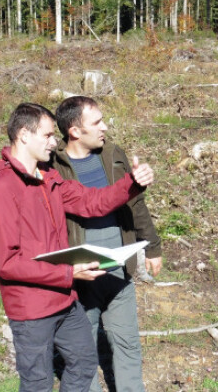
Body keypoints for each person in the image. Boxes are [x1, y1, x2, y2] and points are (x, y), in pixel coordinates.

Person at [0, 102, 156, 392]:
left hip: (64, 300)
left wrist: (131, 184)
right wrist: (68, 274)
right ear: (24, 135)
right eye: (48, 136)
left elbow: (91, 202)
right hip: (31, 308)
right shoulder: (2, 189)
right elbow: (7, 263)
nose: (55, 142)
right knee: (37, 382)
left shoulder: (49, 178)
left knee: (85, 364)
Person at [52, 96, 163, 392]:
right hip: (80, 272)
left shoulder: (114, 154)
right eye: (97, 122)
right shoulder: (52, 166)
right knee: (82, 351)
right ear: (74, 131)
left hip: (118, 265)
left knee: (127, 343)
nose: (105, 127)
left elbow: (135, 203)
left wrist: (151, 246)